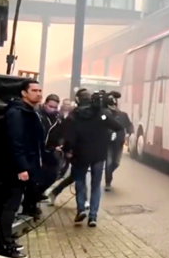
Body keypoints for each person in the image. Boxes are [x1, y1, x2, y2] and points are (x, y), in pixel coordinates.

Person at [0, 79, 44, 258]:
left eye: (40, 90)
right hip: (14, 168)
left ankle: (3, 241)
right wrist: (22, 168)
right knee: (10, 206)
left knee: (12, 206)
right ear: (24, 93)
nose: (39, 93)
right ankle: (4, 248)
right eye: (34, 90)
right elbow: (15, 143)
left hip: (23, 166)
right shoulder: (17, 113)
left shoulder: (29, 112)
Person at [64, 89, 123, 227]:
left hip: (80, 154)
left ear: (78, 100)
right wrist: (109, 138)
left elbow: (69, 136)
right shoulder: (102, 113)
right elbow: (118, 127)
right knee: (96, 185)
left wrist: (68, 150)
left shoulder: (74, 114)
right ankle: (93, 216)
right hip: (99, 154)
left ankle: (81, 209)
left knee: (80, 182)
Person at [105, 92, 133, 191]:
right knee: (108, 163)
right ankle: (108, 182)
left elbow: (129, 125)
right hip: (108, 143)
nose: (113, 107)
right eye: (111, 105)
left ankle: (109, 173)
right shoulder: (106, 115)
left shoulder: (123, 115)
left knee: (116, 163)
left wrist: (129, 134)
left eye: (114, 105)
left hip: (119, 143)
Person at [38, 94, 64, 196]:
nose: (53, 109)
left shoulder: (58, 117)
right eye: (50, 106)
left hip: (51, 150)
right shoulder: (38, 115)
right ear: (45, 104)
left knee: (53, 175)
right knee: (38, 177)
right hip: (40, 150)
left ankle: (38, 194)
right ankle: (32, 200)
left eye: (55, 107)